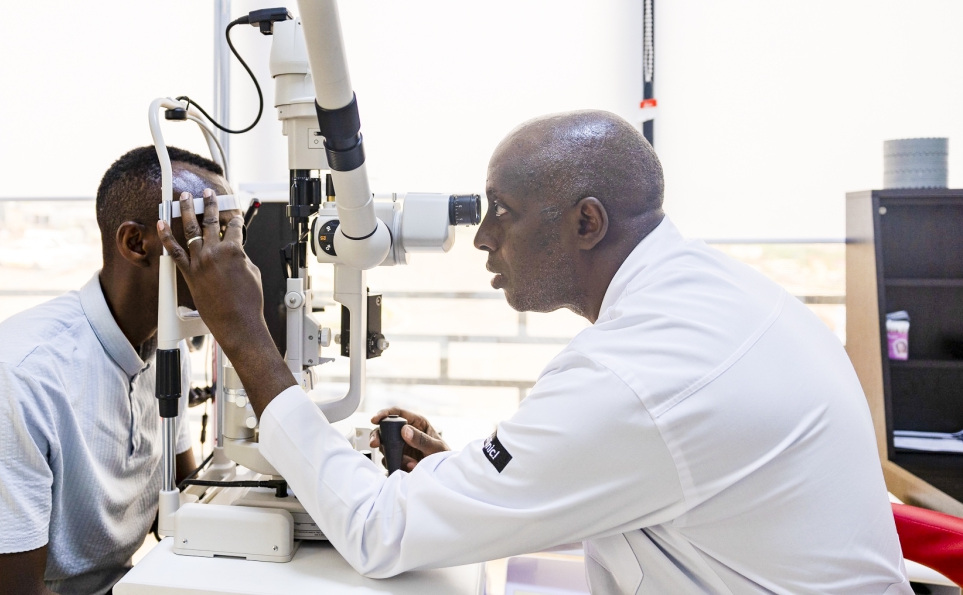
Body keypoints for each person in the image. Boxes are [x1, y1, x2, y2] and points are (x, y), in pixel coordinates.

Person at [159, 111, 913, 594]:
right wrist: (485, 484)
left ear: (587, 222)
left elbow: (379, 532)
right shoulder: (718, 295)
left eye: (503, 212)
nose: (483, 238)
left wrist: (244, 331)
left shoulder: (634, 377)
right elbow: (663, 476)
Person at [0, 146, 235, 595]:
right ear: (136, 244)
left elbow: (184, 511)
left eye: (233, 236)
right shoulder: (15, 380)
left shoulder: (165, 348)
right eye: (207, 233)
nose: (231, 260)